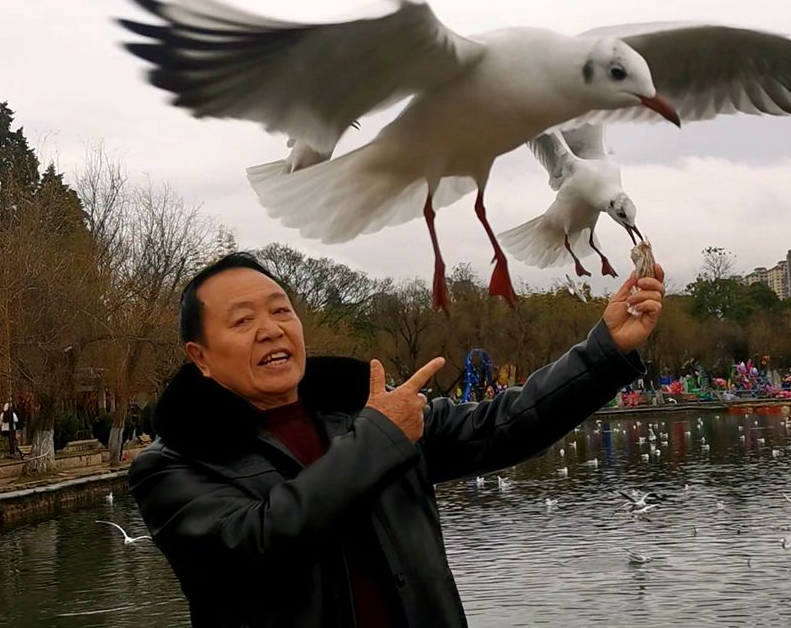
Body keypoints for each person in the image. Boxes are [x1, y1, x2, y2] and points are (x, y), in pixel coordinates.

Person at [130, 252, 664, 627]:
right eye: (242, 320)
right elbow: (256, 546)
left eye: (280, 310)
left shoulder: (357, 411)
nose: (270, 329)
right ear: (200, 357)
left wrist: (605, 351)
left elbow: (503, 425)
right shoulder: (174, 466)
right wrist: (380, 437)